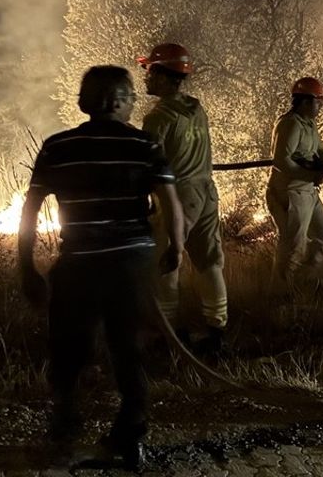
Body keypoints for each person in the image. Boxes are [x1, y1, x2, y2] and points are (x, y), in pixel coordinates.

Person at [18, 65, 184, 470]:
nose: (131, 104)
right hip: (131, 264)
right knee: (129, 349)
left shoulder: (57, 147)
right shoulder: (145, 145)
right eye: (130, 97)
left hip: (78, 265)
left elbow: (31, 208)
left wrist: (26, 266)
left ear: (86, 102)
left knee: (69, 347)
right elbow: (171, 204)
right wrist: (176, 248)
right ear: (119, 102)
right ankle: (131, 433)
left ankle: (63, 424)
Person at [138, 43, 227, 354]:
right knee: (209, 262)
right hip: (207, 192)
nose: (145, 78)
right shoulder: (196, 108)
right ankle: (216, 330)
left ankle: (171, 335)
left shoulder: (158, 118)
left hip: (177, 197)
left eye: (149, 70)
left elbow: (149, 166)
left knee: (167, 261)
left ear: (163, 76)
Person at [265, 77, 323, 279]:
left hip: (307, 190)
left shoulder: (308, 125)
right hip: (291, 192)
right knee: (294, 245)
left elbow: (320, 151)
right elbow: (281, 161)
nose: (320, 107)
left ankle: (304, 279)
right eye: (318, 102)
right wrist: (311, 176)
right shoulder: (290, 125)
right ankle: (283, 292)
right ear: (305, 101)